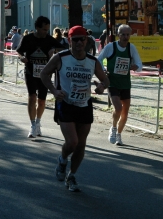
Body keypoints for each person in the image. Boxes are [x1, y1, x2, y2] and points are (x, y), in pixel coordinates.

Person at [40, 25, 110, 192]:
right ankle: (63, 159)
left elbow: (105, 80)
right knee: (72, 142)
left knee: (81, 145)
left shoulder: (92, 61)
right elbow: (44, 74)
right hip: (66, 104)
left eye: (82, 39)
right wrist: (54, 91)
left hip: (85, 105)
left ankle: (72, 176)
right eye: (76, 39)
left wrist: (101, 87)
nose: (79, 42)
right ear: (69, 40)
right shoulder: (60, 57)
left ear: (87, 40)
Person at [16, 16, 64, 138]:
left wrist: (54, 50)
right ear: (37, 28)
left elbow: (63, 48)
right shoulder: (28, 39)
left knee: (42, 101)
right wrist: (21, 57)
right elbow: (19, 51)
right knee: (32, 97)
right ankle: (32, 125)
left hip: (45, 75)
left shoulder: (49, 39)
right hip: (30, 72)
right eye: (44, 29)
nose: (46, 32)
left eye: (47, 30)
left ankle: (38, 122)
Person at [97, 24, 143, 145]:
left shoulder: (131, 48)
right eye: (123, 34)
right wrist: (103, 70)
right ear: (118, 35)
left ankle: (119, 134)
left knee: (125, 112)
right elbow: (99, 59)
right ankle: (113, 128)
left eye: (128, 34)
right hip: (112, 83)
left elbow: (139, 64)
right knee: (118, 108)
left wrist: (136, 67)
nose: (125, 37)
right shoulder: (111, 47)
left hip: (125, 84)